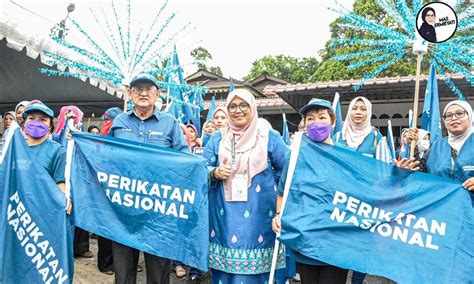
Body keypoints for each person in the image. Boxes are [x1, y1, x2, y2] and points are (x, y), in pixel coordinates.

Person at [109, 73, 188, 284]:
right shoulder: (119, 122)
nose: (143, 93)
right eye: (137, 89)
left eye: (148, 89)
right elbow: (105, 158)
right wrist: (76, 139)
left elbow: (185, 160)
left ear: (157, 94)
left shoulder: (170, 123)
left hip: (159, 211)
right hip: (124, 210)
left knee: (158, 271)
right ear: (129, 93)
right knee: (124, 271)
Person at [203, 88, 288, 283]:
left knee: (261, 274)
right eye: (232, 106)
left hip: (261, 215)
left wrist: (273, 194)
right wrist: (214, 173)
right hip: (224, 216)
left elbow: (287, 172)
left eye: (243, 105)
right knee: (227, 272)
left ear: (253, 108)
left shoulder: (269, 136)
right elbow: (201, 168)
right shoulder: (218, 137)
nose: (237, 110)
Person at [272, 98, 349, 284]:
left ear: (333, 122)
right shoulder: (296, 154)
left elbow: (364, 189)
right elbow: (283, 191)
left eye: (322, 117)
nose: (316, 123)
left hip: (335, 241)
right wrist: (279, 215)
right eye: (310, 118)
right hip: (305, 239)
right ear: (304, 124)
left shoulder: (346, 155)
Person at [398, 100, 474, 195]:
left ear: (469, 116)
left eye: (460, 113)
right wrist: (406, 170)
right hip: (440, 207)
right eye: (448, 116)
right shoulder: (436, 146)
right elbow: (422, 174)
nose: (454, 118)